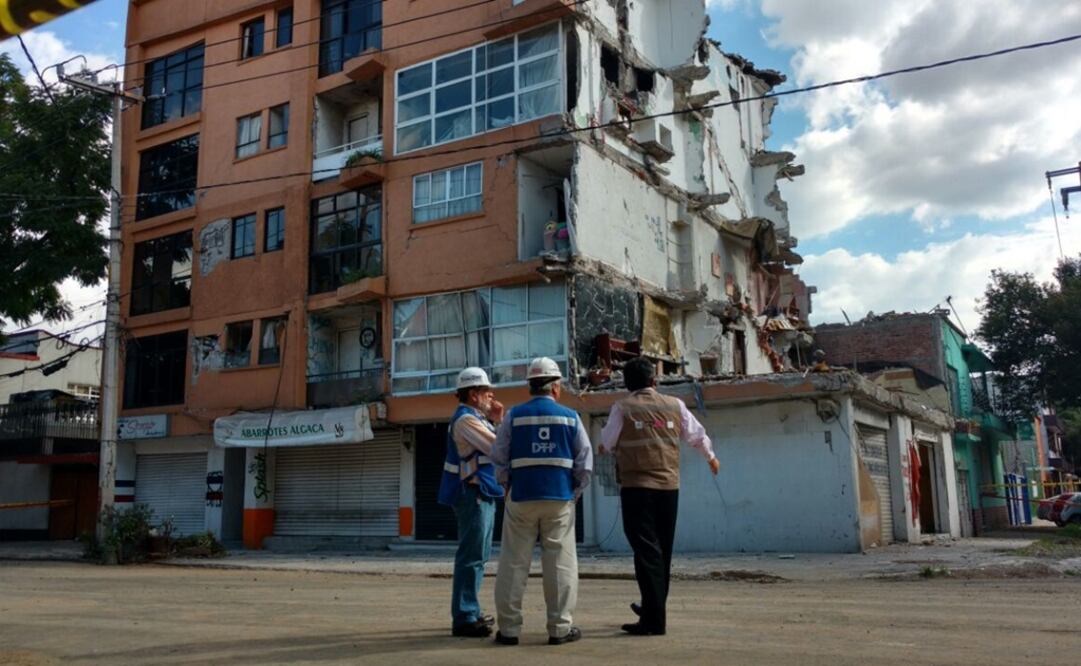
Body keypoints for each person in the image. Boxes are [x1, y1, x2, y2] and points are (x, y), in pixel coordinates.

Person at [599, 357, 720, 636]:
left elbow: (607, 441)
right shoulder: (674, 405)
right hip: (668, 488)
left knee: (646, 551)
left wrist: (603, 447)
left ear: (627, 385)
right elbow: (697, 435)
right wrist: (711, 458)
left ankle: (653, 621)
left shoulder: (622, 407)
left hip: (637, 488)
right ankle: (653, 607)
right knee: (661, 551)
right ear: (654, 382)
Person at [490, 357, 593, 646]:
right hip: (559, 500)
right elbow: (585, 464)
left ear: (530, 387)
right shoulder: (570, 417)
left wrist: (507, 486)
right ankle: (559, 629)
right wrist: (573, 493)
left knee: (512, 563)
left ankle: (509, 630)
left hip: (521, 497)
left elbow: (498, 455)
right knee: (560, 563)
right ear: (556, 387)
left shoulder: (513, 416)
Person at [438, 367, 505, 638]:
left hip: (482, 493)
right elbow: (498, 448)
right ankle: (465, 617)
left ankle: (471, 611)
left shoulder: (477, 418)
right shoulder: (467, 421)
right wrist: (499, 421)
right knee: (471, 556)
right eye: (486, 392)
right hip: (472, 494)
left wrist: (495, 420)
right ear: (474, 395)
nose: (491, 396)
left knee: (479, 556)